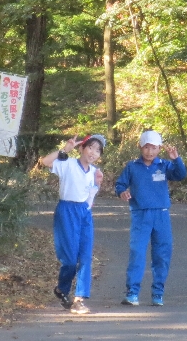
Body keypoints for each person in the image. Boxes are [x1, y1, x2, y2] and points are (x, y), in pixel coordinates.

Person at [115, 130, 187, 307]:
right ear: (140, 147)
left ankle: (158, 293)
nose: (149, 151)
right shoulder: (132, 166)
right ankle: (132, 293)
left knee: (162, 254)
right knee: (137, 252)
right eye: (146, 147)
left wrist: (176, 159)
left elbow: (180, 175)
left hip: (161, 214)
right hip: (140, 214)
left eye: (153, 147)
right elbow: (120, 184)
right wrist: (122, 192)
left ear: (159, 148)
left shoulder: (164, 165)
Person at [41, 134, 106, 315]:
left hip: (84, 213)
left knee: (85, 256)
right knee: (69, 259)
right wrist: (64, 149)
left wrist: (97, 185)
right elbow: (45, 162)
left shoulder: (94, 172)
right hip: (66, 211)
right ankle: (62, 289)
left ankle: (79, 299)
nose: (93, 153)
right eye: (90, 147)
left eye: (98, 150)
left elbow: (90, 198)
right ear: (82, 148)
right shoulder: (68, 164)